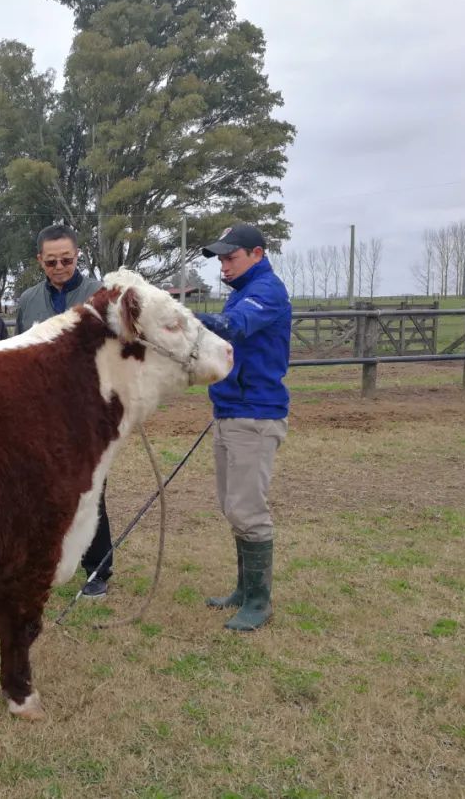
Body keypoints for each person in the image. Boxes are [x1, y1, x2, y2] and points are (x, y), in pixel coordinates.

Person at [196, 223, 291, 632]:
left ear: (257, 253)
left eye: (230, 257)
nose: (223, 265)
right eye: (220, 258)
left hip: (254, 414)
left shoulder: (266, 292)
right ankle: (243, 589)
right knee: (231, 505)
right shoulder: (244, 293)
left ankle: (258, 601)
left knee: (247, 508)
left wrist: (174, 316)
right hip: (231, 410)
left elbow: (232, 328)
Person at [15, 224, 114, 597]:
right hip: (41, 413)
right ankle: (40, 561)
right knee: (39, 490)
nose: (60, 267)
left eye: (67, 260)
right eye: (52, 261)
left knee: (91, 490)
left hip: (88, 411)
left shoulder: (99, 295)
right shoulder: (27, 301)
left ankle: (97, 569)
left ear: (79, 257)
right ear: (40, 261)